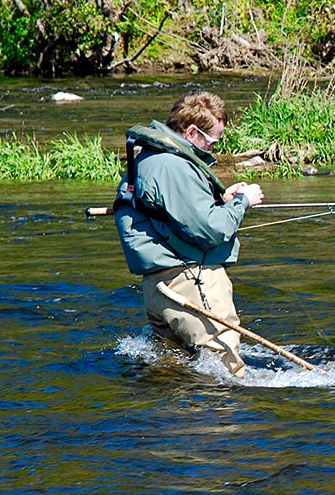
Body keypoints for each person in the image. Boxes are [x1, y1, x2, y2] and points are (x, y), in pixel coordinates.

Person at [113, 91, 264, 377]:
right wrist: (242, 202)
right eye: (212, 141)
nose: (213, 148)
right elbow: (211, 231)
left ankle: (177, 423)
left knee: (173, 375)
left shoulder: (149, 157)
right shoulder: (173, 166)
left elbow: (175, 215)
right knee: (226, 374)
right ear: (192, 131)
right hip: (191, 284)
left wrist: (223, 200)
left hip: (160, 289)